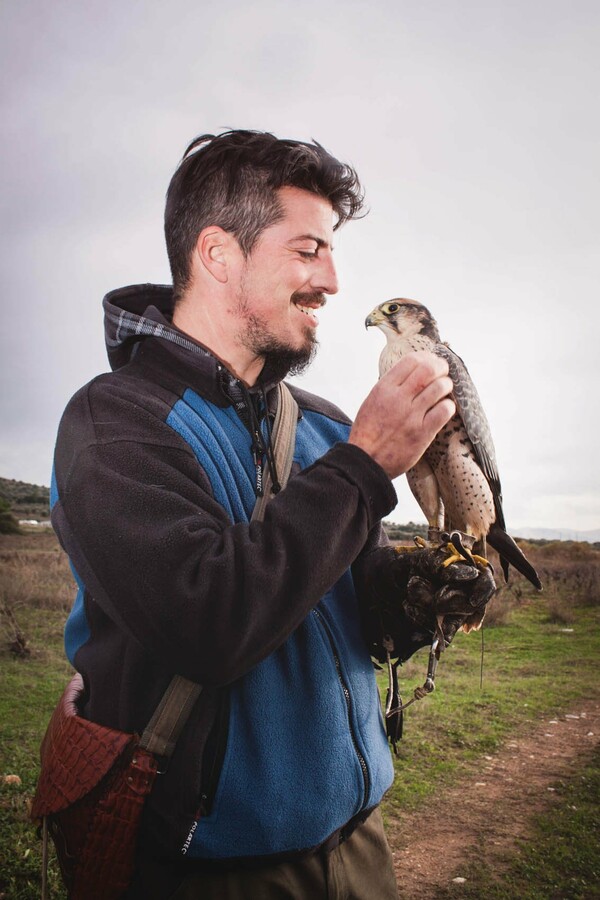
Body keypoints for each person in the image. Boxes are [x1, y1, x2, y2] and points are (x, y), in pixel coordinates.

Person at [49, 130, 494, 899]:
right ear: (218, 254)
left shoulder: (321, 424)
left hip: (359, 848)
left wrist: (425, 596)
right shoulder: (116, 424)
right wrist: (365, 464)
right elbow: (209, 622)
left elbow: (357, 619)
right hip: (213, 869)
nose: (330, 281)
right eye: (308, 250)